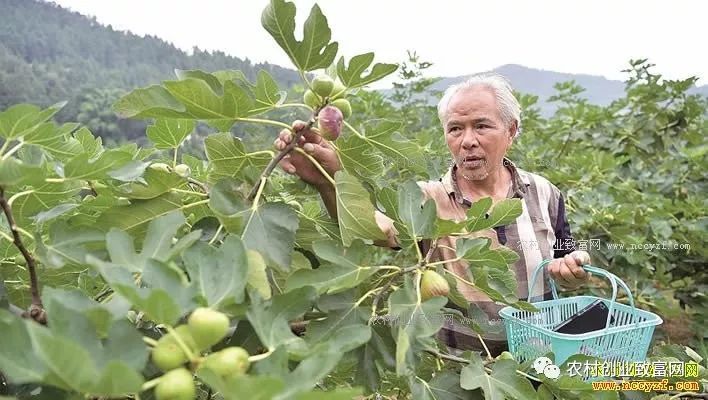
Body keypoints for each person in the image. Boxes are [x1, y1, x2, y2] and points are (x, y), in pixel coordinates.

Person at [274, 71, 590, 356]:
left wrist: (574, 271)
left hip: (543, 360)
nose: (467, 141)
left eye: (481, 126)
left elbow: (567, 259)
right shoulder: (428, 198)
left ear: (511, 130)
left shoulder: (546, 193)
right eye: (455, 129)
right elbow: (378, 230)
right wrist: (330, 180)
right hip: (461, 371)